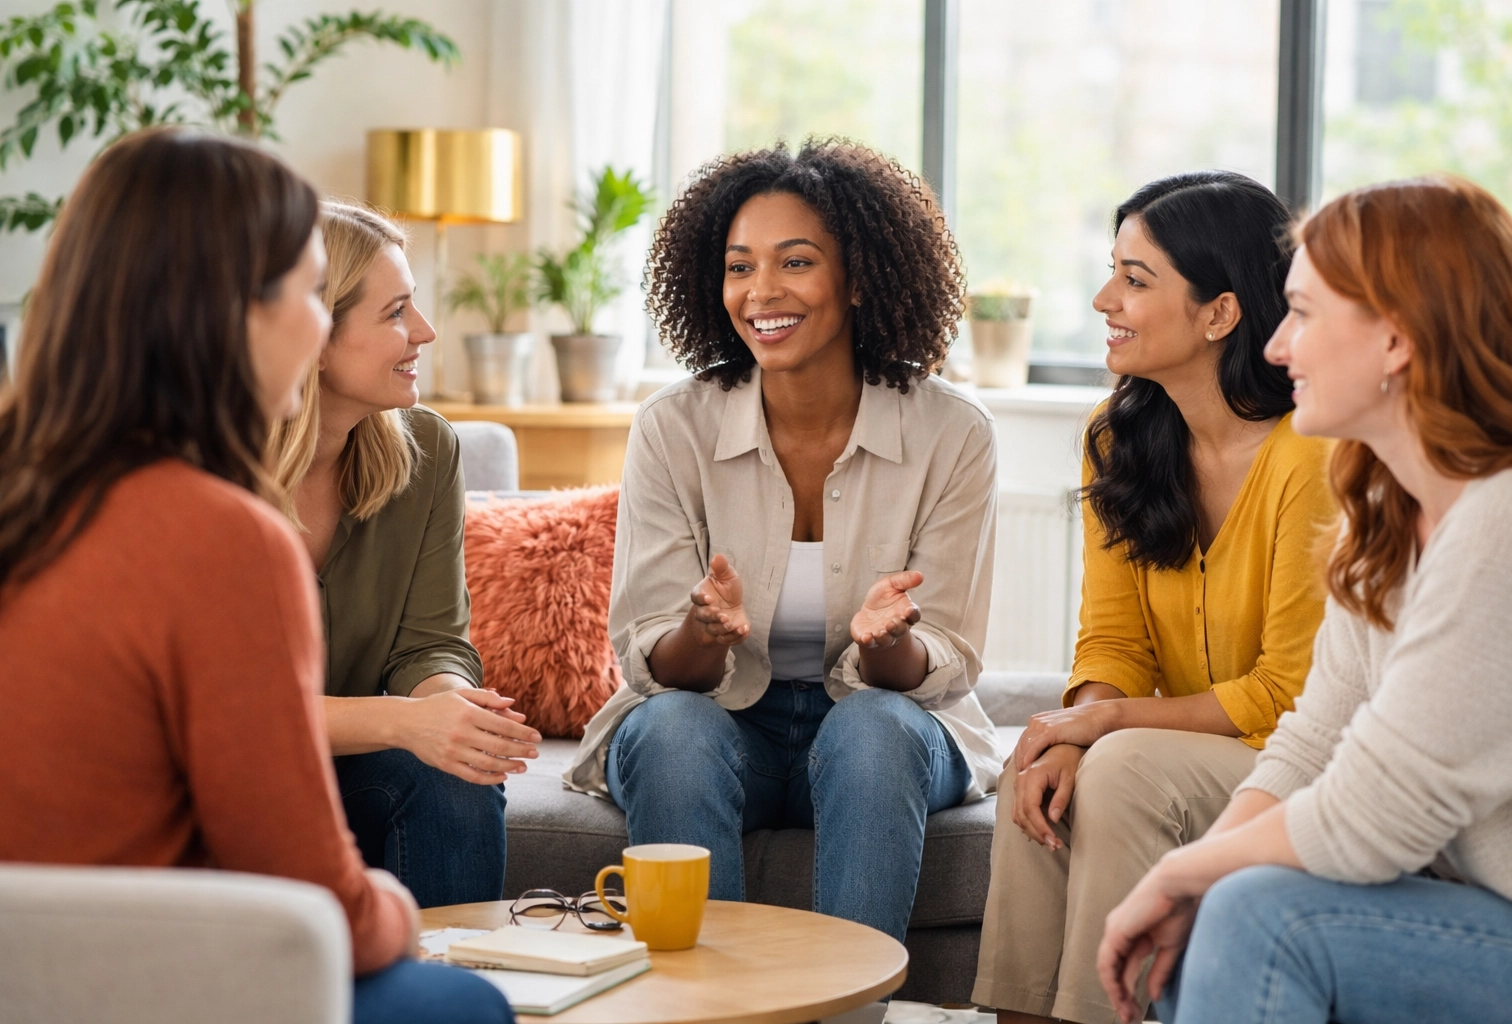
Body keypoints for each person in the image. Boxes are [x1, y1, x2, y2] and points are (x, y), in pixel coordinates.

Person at [0, 128, 512, 1024]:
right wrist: (402, 917)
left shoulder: (30, 484)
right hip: (154, 971)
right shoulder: (222, 533)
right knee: (463, 1005)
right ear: (234, 313)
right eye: (308, 292)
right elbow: (314, 894)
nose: (314, 322)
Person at [1098, 176, 1512, 1024]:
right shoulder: (1381, 518)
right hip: (1472, 905)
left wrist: (1181, 873)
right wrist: (1205, 876)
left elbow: (1377, 816)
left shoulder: (1509, 520)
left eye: (1303, 314)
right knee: (1205, 926)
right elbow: (1311, 743)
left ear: (1397, 341)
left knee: (1255, 914)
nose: (1275, 347)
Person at [562, 140, 1005, 943]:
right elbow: (652, 660)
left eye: (795, 262)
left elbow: (942, 660)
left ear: (861, 277)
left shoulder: (953, 434)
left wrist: (888, 645)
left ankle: (848, 1008)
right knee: (669, 731)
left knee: (871, 727)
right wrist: (700, 632)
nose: (761, 291)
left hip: (884, 727)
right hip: (726, 724)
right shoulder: (674, 428)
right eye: (739, 267)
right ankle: (710, 1008)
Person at [973, 171, 1335, 1024]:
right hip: (1193, 747)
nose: (1106, 299)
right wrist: (1072, 729)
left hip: (1299, 764)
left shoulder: (1310, 457)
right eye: (1113, 272)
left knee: (1124, 765)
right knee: (1042, 765)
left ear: (1220, 312)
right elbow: (1112, 645)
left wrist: (1109, 725)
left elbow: (1288, 696)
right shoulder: (1120, 435)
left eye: (1136, 280)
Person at [267, 201, 539, 909]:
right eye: (395, 313)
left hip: (353, 774)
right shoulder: (209, 474)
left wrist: (455, 713)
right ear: (315, 335)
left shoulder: (426, 451)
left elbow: (430, 645)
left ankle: (458, 990)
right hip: (230, 787)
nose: (424, 331)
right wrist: (404, 724)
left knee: (455, 771)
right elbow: (226, 715)